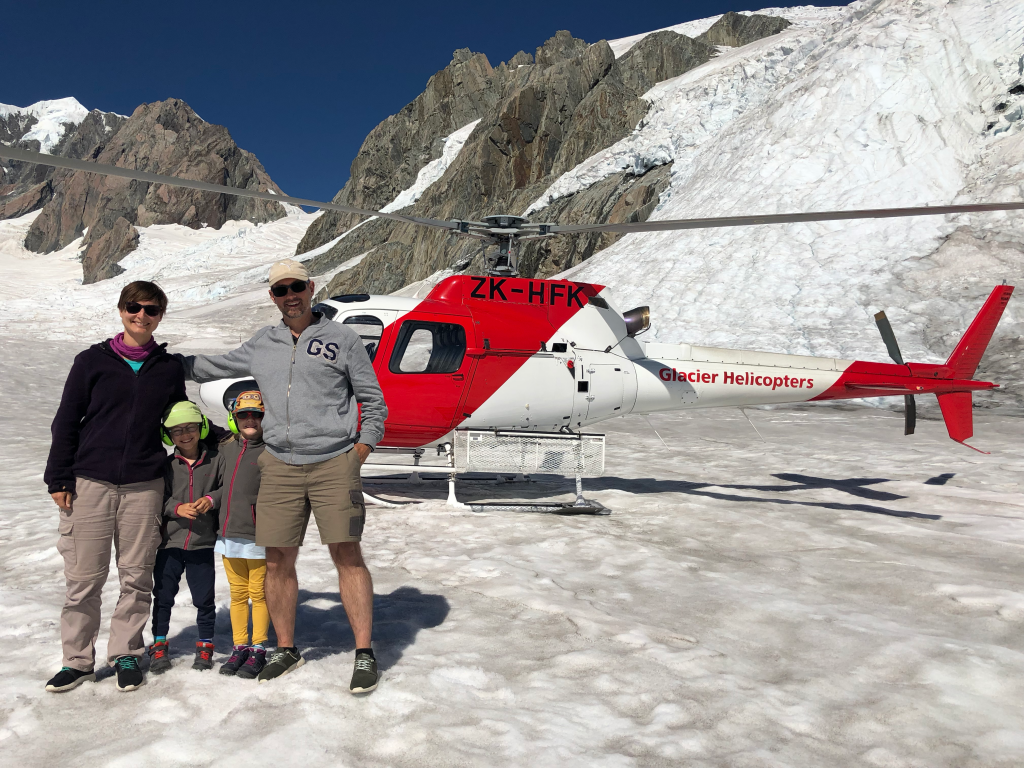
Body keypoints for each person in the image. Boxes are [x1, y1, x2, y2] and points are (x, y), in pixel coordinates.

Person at [179, 259, 387, 693]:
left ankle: (364, 653)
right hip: (279, 465)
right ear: (272, 297)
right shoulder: (264, 342)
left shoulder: (341, 339)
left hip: (334, 462)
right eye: (280, 290)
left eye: (296, 286)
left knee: (346, 555)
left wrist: (360, 452)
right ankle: (286, 648)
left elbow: (373, 399)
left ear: (311, 288)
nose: (289, 295)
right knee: (276, 560)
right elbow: (215, 367)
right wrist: (163, 361)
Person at [44, 281, 186, 693]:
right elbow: (66, 421)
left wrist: (226, 436)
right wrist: (59, 477)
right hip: (89, 482)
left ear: (161, 315)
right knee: (84, 579)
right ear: (121, 309)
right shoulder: (92, 361)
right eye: (134, 307)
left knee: (137, 576)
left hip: (144, 484)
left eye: (152, 310)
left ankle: (126, 652)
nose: (141, 315)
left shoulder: (168, 368)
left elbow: (177, 420)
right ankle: (77, 661)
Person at [148, 401, 223, 673]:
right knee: (164, 595)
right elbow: (157, 497)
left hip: (202, 543)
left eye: (190, 427)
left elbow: (227, 489)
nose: (185, 434)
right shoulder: (167, 465)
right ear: (168, 435)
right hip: (170, 543)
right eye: (177, 430)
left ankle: (205, 645)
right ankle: (158, 644)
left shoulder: (217, 460)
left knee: (204, 598)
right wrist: (176, 508)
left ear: (200, 428)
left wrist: (211, 500)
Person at [215, 390, 271, 679]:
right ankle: (240, 647)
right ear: (234, 418)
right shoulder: (226, 446)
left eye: (256, 414)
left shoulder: (272, 449)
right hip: (228, 535)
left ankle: (259, 648)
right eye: (243, 415)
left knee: (258, 594)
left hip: (258, 535)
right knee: (237, 594)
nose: (250, 419)